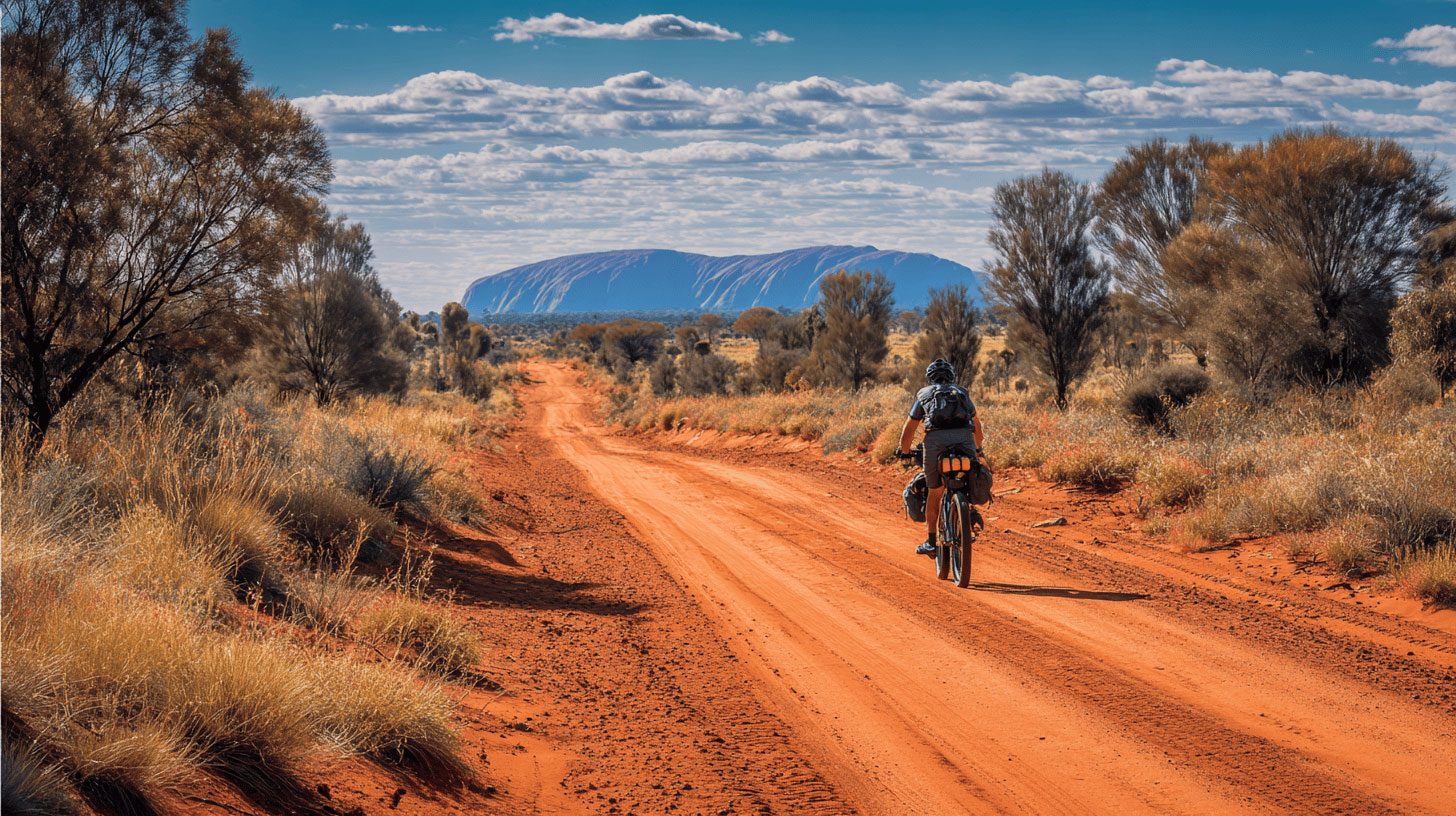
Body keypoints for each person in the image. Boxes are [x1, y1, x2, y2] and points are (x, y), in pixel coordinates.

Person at [898, 359, 984, 556]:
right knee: (968, 475)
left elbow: (909, 428)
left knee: (934, 492)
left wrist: (904, 452)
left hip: (935, 440)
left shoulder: (923, 394)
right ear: (952, 377)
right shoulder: (962, 392)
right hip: (964, 438)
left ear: (930, 378)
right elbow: (977, 426)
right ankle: (967, 512)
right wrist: (977, 450)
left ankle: (930, 542)